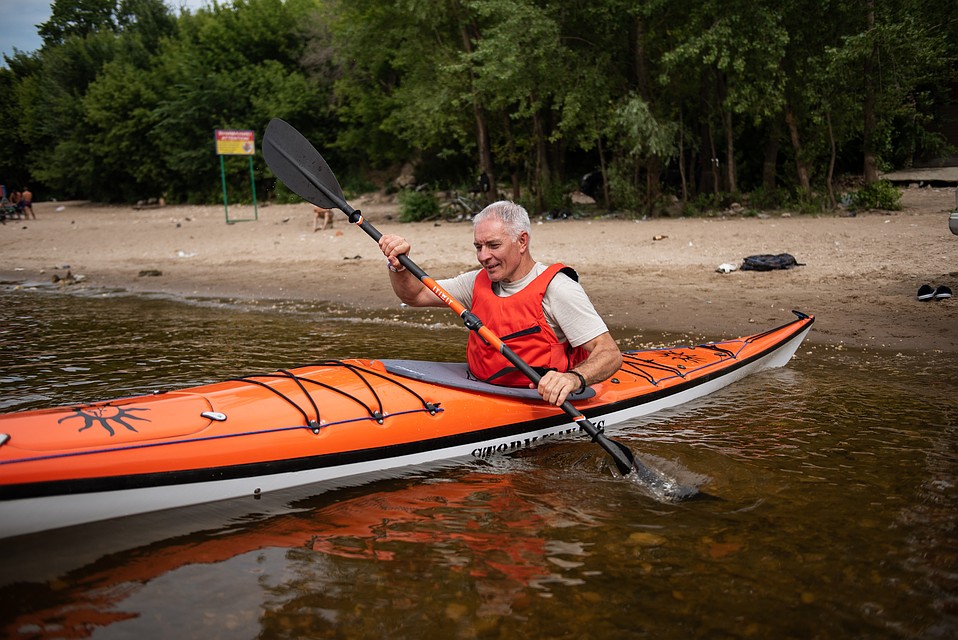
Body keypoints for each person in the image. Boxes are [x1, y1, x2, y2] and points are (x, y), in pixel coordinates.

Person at [379, 200, 622, 407]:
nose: (484, 256)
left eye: (494, 245)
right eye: (479, 247)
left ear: (522, 241)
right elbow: (416, 294)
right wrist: (398, 265)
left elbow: (609, 353)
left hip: (538, 399)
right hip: (482, 390)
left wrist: (573, 379)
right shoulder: (475, 282)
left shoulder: (558, 289)